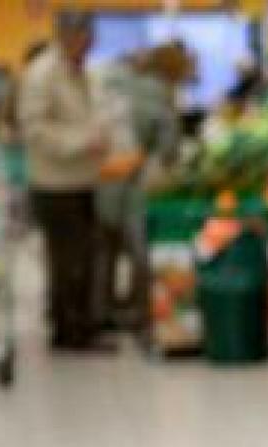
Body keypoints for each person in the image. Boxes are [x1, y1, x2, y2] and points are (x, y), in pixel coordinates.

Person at [20, 13, 110, 351]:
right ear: (67, 36)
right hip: (54, 184)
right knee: (68, 261)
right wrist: (83, 142)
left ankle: (76, 327)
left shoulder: (82, 72)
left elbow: (86, 115)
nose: (90, 44)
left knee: (82, 259)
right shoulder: (42, 74)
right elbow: (35, 130)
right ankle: (71, 333)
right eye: (85, 36)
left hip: (82, 179)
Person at [95, 42, 192, 330]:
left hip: (99, 176)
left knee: (104, 251)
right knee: (140, 251)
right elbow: (169, 149)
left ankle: (101, 310)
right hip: (134, 183)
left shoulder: (121, 85)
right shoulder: (161, 96)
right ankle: (140, 311)